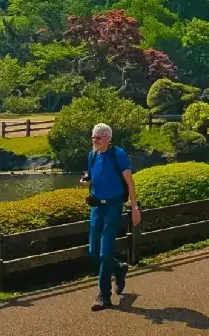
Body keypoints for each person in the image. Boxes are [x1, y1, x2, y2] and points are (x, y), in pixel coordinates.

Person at [81, 123, 141, 311]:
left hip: (114, 206)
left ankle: (103, 295)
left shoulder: (118, 155)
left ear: (107, 138)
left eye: (98, 137)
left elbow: (130, 183)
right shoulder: (92, 156)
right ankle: (119, 268)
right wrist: (86, 180)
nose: (94, 140)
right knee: (93, 251)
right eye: (93, 137)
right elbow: (91, 177)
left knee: (105, 252)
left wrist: (134, 207)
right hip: (97, 207)